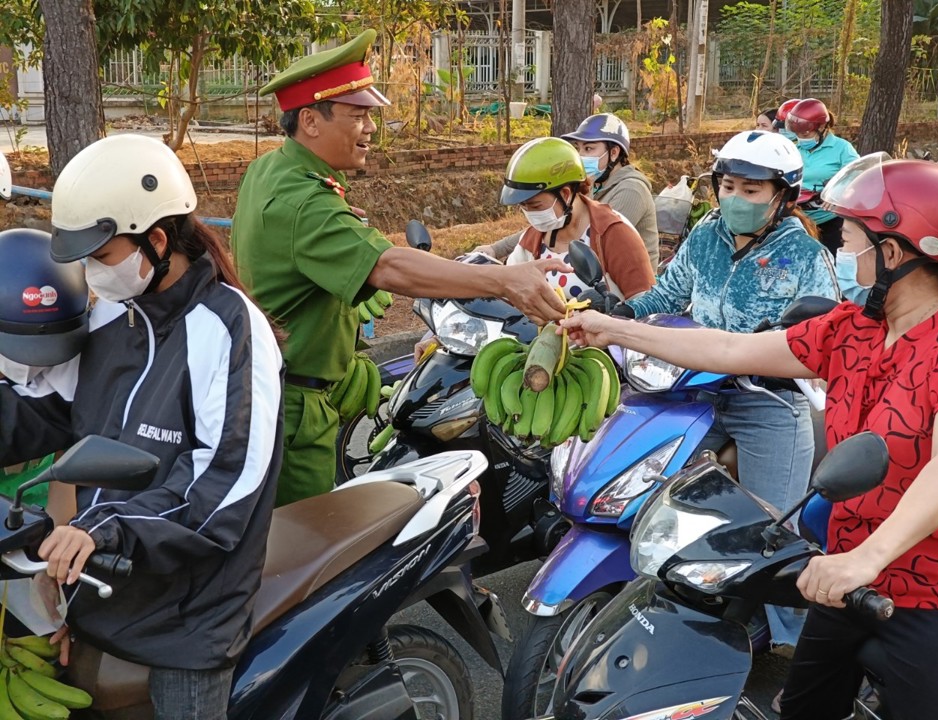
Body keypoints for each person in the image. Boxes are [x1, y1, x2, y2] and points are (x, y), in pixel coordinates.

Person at [561, 155, 938, 720]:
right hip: (840, 579)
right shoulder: (852, 329)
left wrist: (866, 561)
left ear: (893, 254)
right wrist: (615, 329)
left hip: (932, 593)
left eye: (849, 240)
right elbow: (728, 349)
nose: (841, 252)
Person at [0, 134, 285, 720]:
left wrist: (101, 529)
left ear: (155, 241)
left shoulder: (230, 330)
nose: (87, 274)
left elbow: (223, 487)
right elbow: (45, 413)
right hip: (103, 584)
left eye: (99, 257)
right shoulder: (109, 317)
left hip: (187, 615)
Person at [231, 29, 567, 507]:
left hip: (286, 380)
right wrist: (502, 280)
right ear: (309, 120)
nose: (371, 128)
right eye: (358, 114)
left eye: (371, 114)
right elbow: (387, 265)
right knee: (302, 555)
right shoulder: (303, 201)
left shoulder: (272, 170)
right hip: (293, 410)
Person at [618, 129, 839, 650]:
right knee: (643, 482)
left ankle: (797, 644)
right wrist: (622, 313)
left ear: (782, 196)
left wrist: (776, 356)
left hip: (767, 401)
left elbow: (824, 334)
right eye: (728, 186)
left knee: (772, 532)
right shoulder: (705, 234)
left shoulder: (804, 254)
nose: (734, 199)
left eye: (751, 190)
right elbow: (670, 292)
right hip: (693, 390)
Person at [477, 113, 660, 268]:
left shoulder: (631, 190)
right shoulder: (596, 185)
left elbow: (597, 240)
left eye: (589, 148)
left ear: (614, 153)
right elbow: (547, 227)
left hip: (626, 293)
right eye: (578, 148)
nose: (581, 156)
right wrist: (495, 249)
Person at [0, 228, 89, 520]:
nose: (33, 366)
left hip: (31, 534)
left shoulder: (79, 371)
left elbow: (65, 490)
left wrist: (46, 554)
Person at [501, 136, 655, 302]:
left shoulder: (613, 233)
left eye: (535, 206)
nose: (529, 213)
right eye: (523, 206)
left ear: (565, 194)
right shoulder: (533, 239)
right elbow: (510, 289)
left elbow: (646, 305)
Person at [786, 98, 859, 257]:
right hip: (797, 219)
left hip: (829, 221)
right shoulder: (793, 148)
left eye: (805, 133)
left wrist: (837, 191)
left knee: (830, 263)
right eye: (797, 133)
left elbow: (858, 175)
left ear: (822, 127)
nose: (801, 137)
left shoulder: (841, 148)